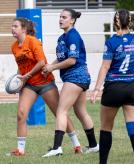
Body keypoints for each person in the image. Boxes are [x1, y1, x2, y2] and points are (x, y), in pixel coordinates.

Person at [8, 17, 83, 156]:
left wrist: (27, 75)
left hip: (45, 82)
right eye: (12, 26)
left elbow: (42, 62)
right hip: (29, 84)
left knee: (59, 113)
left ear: (24, 29)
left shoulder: (33, 42)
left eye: (15, 26)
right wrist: (18, 82)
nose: (12, 29)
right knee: (21, 114)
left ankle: (77, 145)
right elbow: (21, 68)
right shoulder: (14, 47)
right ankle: (20, 150)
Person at [42, 8, 99, 157]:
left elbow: (72, 60)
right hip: (79, 77)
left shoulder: (73, 36)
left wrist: (53, 67)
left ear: (72, 20)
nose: (60, 19)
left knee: (61, 111)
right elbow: (62, 58)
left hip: (76, 76)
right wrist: (50, 67)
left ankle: (57, 148)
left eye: (64, 17)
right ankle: (94, 145)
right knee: (81, 112)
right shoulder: (62, 38)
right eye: (60, 17)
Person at [91, 9, 134, 164]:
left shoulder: (111, 42)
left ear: (115, 22)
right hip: (133, 87)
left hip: (114, 87)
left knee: (106, 127)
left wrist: (96, 90)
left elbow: (105, 67)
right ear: (130, 21)